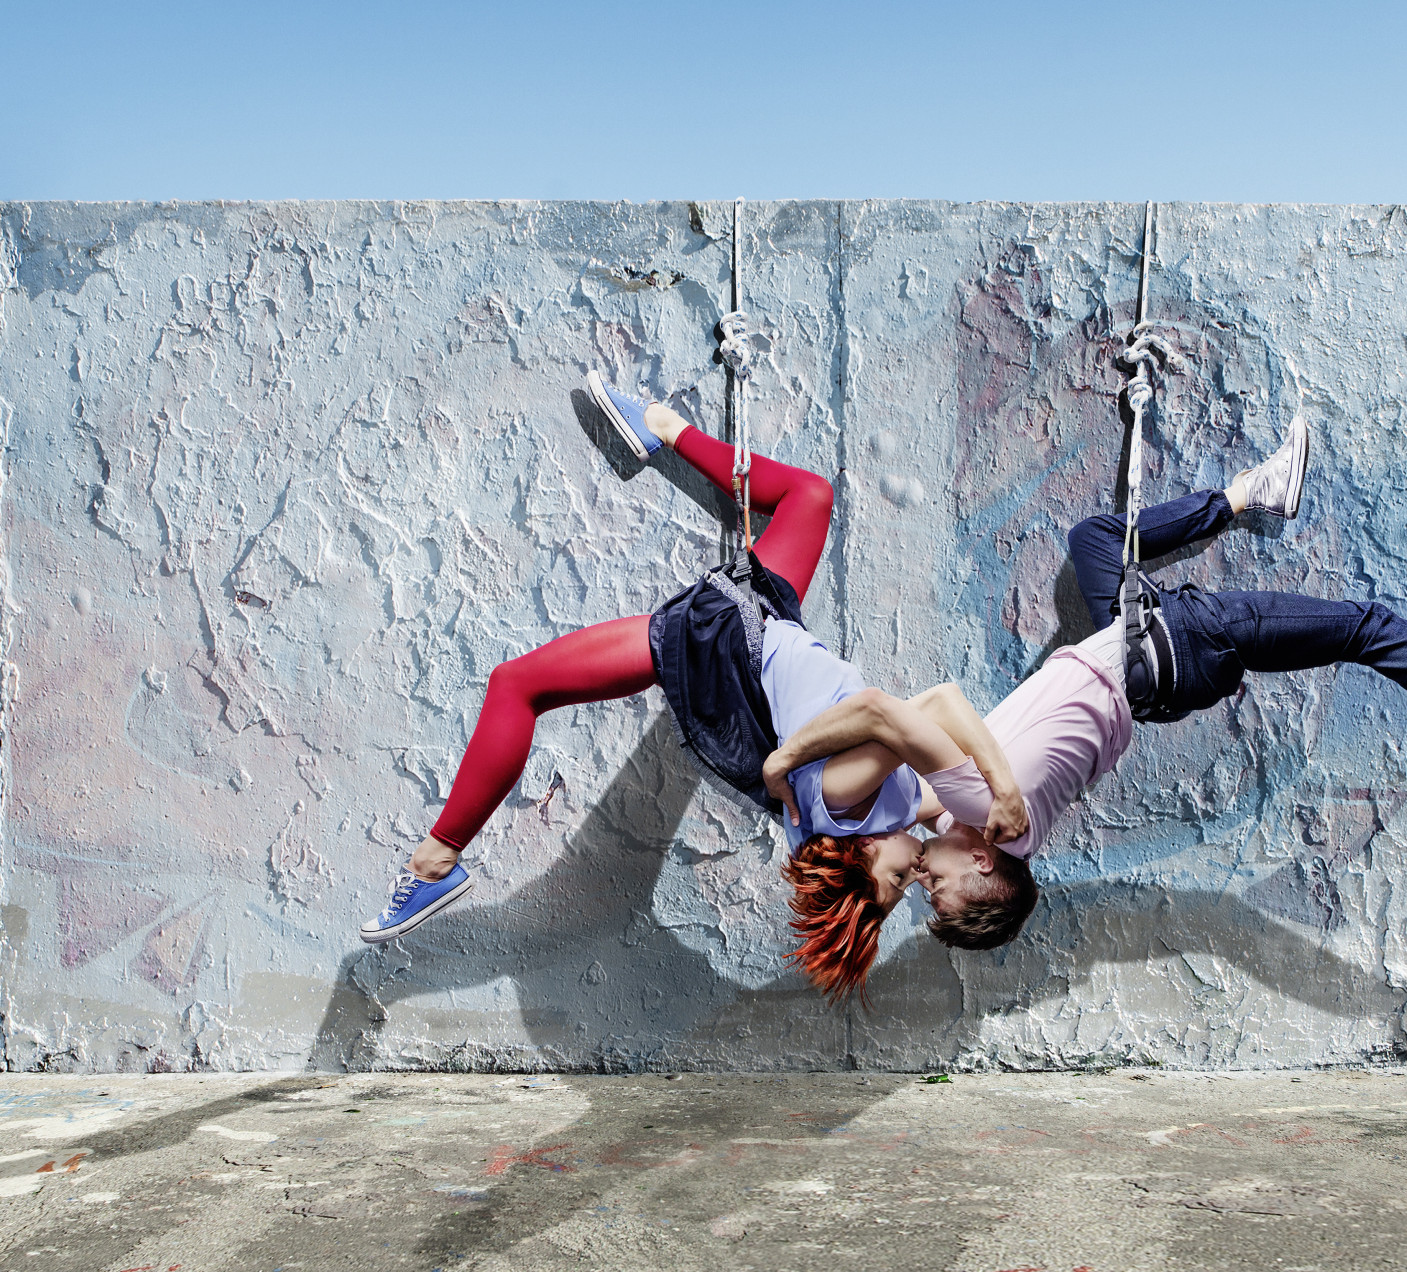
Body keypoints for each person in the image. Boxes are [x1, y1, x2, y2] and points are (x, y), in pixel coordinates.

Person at [763, 413, 1407, 969]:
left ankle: (1251, 493)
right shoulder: (991, 807)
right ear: (986, 863)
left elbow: (900, 804)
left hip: (1142, 658)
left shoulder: (993, 819)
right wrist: (812, 772)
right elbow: (935, 708)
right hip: (1176, 647)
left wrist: (843, 844)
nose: (927, 880)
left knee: (1094, 540)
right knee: (1365, 628)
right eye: (942, 889)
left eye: (924, 890)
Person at [360, 371, 1029, 999]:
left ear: (863, 853)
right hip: (767, 622)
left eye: (899, 879)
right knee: (810, 496)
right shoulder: (893, 814)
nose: (916, 876)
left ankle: (434, 862)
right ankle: (658, 426)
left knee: (518, 684)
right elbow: (935, 723)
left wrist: (997, 787)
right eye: (919, 883)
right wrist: (982, 815)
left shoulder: (843, 805)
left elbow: (903, 711)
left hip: (726, 640)